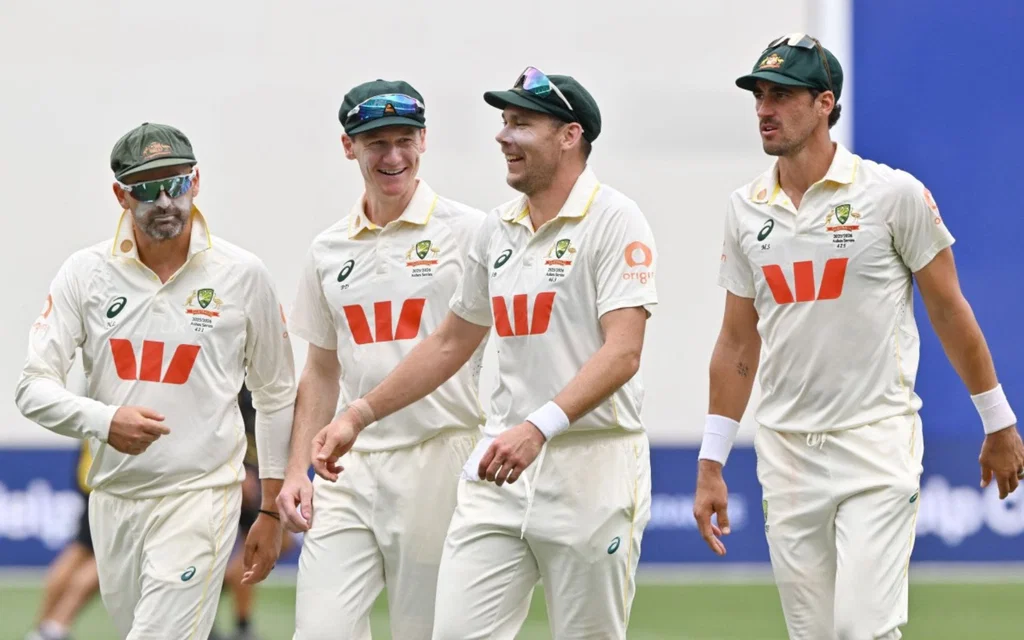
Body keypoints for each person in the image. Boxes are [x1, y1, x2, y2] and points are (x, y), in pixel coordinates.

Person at [692, 33, 1024, 640]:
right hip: (786, 456)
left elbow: (950, 311)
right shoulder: (744, 210)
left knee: (858, 631)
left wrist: (998, 420)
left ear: (825, 103)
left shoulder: (893, 195)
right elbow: (738, 343)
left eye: (782, 95)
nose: (765, 108)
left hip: (877, 444)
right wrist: (711, 461)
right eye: (759, 95)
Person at [311, 66, 659, 640]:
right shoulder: (497, 228)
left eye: (520, 124)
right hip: (499, 472)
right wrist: (357, 414)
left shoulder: (615, 219)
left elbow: (623, 353)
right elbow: (450, 342)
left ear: (569, 136)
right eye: (503, 123)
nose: (502, 137)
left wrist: (538, 427)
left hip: (592, 466)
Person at [14, 122, 297, 640]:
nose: (165, 200)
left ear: (197, 181)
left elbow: (276, 392)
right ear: (120, 193)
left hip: (202, 497)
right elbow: (31, 387)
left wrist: (271, 508)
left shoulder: (242, 274)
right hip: (114, 501)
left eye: (177, 182)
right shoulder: (85, 274)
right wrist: (104, 420)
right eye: (146, 187)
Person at [274, 79, 486, 639]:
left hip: (441, 454)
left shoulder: (470, 233)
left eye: (404, 140)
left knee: (423, 631)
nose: (393, 157)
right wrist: (298, 469)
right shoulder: (327, 249)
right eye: (376, 144)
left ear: (423, 140)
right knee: (319, 631)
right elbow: (321, 368)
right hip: (349, 464)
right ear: (349, 147)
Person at [209, 385, 296, 640]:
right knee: (213, 551)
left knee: (269, 547)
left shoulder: (261, 385)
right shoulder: (228, 384)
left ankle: (235, 622)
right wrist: (237, 469)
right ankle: (231, 623)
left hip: (259, 477)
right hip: (229, 478)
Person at [24, 445, 100, 640]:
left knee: (82, 548)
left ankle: (43, 628)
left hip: (92, 466)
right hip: (112, 473)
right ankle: (55, 627)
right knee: (108, 557)